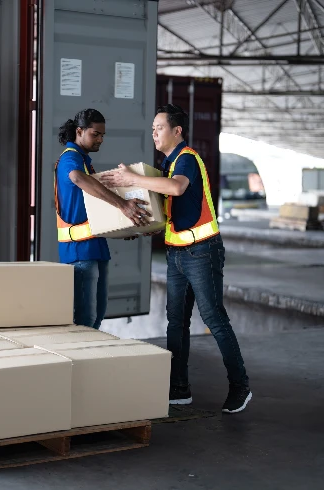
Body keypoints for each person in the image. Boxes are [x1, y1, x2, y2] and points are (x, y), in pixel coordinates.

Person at [100, 104, 251, 413]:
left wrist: (133, 179)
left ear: (177, 131)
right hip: (177, 254)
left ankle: (240, 387)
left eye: (159, 127)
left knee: (213, 318)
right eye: (153, 128)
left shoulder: (187, 160)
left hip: (202, 251)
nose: (154, 132)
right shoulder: (167, 166)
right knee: (176, 322)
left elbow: (177, 189)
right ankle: (179, 389)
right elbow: (169, 210)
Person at [54, 108, 150, 330]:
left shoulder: (84, 161)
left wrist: (124, 228)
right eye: (95, 134)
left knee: (96, 316)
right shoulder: (71, 158)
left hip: (95, 247)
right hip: (79, 252)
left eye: (103, 135)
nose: (100, 139)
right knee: (85, 320)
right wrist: (124, 206)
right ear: (79, 131)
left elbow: (93, 209)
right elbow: (77, 179)